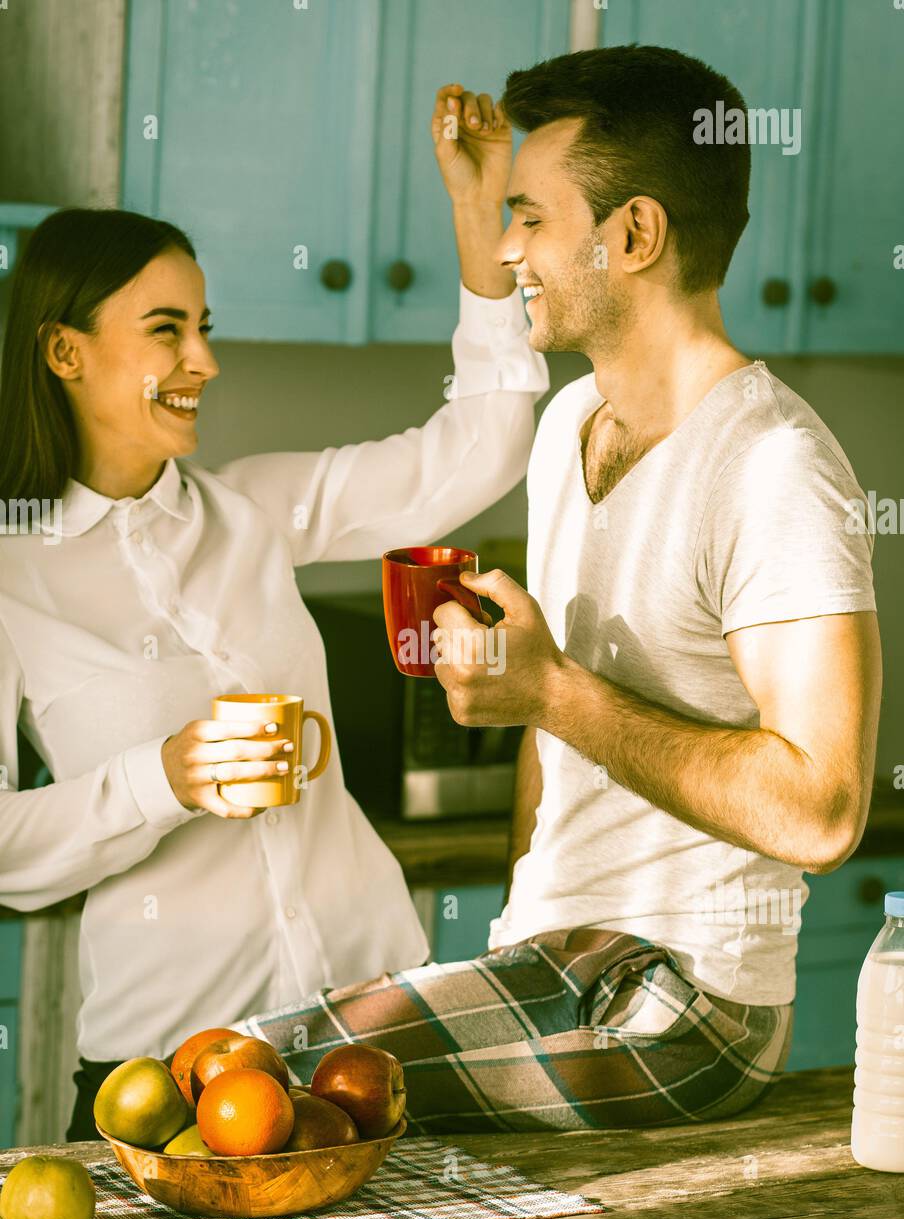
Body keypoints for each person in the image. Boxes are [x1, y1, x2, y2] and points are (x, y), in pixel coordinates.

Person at [222, 47, 881, 1134]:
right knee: (254, 1076)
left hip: (691, 994)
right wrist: (515, 935)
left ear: (632, 236)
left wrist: (553, 693)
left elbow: (822, 810)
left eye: (529, 216)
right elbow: (551, 742)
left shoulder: (773, 467)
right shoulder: (568, 426)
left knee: (262, 1077)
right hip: (558, 957)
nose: (506, 248)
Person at [0, 84, 549, 1140]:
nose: (202, 360)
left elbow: (476, 447)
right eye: (166, 331)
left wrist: (480, 222)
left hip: (373, 1029)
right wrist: (161, 779)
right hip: (170, 1074)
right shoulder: (11, 581)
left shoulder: (252, 508)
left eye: (203, 327)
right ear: (66, 352)